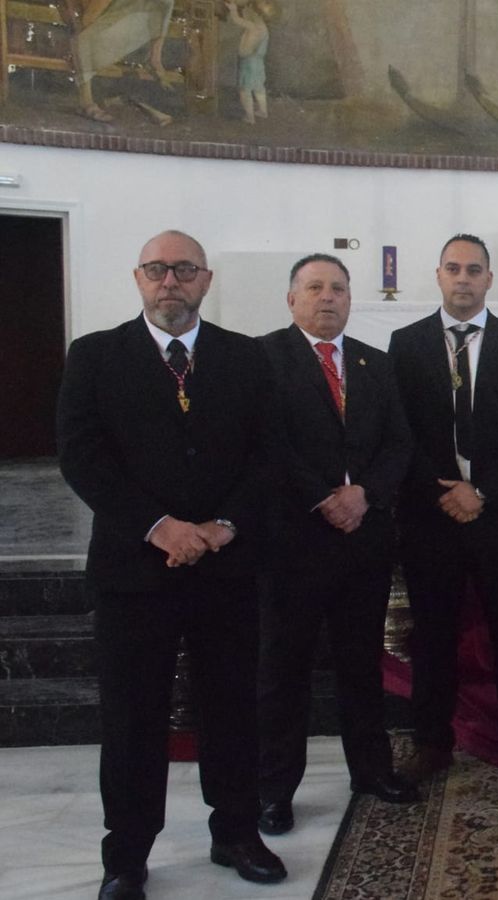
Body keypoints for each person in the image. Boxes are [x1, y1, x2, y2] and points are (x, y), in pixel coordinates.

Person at [58, 230, 285, 898]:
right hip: (135, 572)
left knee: (232, 708)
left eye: (184, 270)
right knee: (132, 718)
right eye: (158, 269)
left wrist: (221, 526)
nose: (170, 282)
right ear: (138, 278)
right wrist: (159, 527)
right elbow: (81, 456)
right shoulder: (95, 356)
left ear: (205, 281)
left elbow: (268, 456)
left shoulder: (246, 359)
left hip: (226, 566)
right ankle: (126, 856)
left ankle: (237, 832)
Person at [255, 254, 418, 839]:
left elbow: (400, 442)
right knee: (285, 670)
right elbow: (263, 443)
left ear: (351, 300)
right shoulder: (263, 358)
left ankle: (371, 771)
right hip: (293, 542)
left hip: (363, 541)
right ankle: (273, 790)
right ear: (292, 298)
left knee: (359, 664)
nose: (328, 297)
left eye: (339, 289)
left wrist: (365, 495)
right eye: (316, 287)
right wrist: (324, 497)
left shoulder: (375, 362)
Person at [388, 234, 498, 785]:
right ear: (438, 276)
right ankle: (432, 742)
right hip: (430, 518)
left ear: (489, 279)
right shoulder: (405, 343)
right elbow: (399, 431)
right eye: (453, 269)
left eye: (473, 270)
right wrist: (444, 491)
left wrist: (479, 490)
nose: (463, 278)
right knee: (433, 633)